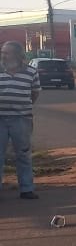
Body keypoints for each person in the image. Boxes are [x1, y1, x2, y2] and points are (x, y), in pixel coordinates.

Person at [0, 41, 41, 199]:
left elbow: (35, 93)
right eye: (2, 52)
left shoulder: (31, 72)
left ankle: (26, 189)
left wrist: (22, 106)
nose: (3, 56)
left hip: (21, 119)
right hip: (0, 119)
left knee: (23, 154)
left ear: (17, 55)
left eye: (7, 53)